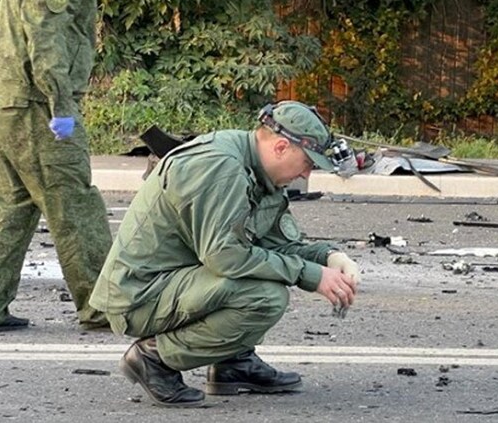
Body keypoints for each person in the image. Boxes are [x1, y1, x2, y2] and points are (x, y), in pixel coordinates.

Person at [89, 101, 362, 408]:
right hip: (139, 296)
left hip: (176, 282)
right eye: (308, 163)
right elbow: (226, 257)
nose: (306, 174)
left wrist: (330, 258)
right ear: (282, 147)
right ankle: (154, 358)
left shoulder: (260, 171)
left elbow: (275, 245)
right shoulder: (222, 167)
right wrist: (309, 275)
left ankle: (232, 363)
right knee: (264, 296)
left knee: (262, 278)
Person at [0, 0, 143, 332]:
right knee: (75, 203)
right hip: (39, 106)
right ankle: (104, 305)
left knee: (14, 206)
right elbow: (47, 40)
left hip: (13, 102)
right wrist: (61, 105)